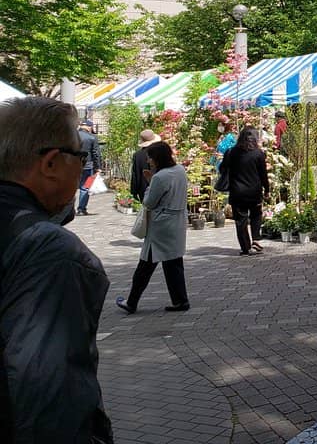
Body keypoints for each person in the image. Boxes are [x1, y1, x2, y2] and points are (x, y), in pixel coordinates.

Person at [0, 96, 114, 442]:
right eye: (80, 157)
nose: (82, 166)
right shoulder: (49, 252)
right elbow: (48, 397)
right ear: (51, 163)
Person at [116, 140, 190, 313]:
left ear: (157, 158)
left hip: (160, 225)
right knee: (173, 263)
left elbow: (149, 202)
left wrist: (150, 182)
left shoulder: (160, 177)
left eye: (150, 158)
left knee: (145, 265)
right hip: (177, 221)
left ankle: (132, 302)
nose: (148, 161)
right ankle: (180, 300)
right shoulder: (179, 170)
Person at [220, 125, 270, 255]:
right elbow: (263, 174)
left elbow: (222, 168)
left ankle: (245, 247)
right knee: (256, 215)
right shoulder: (258, 153)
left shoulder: (231, 152)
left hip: (237, 192)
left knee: (240, 220)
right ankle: (256, 241)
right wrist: (267, 189)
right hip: (254, 191)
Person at [76, 118, 102, 216]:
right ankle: (81, 209)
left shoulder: (72, 136)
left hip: (72, 166)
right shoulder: (92, 137)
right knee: (85, 187)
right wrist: (98, 167)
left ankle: (67, 210)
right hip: (88, 166)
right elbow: (96, 154)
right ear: (89, 127)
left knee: (71, 187)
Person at [130, 128, 161, 202]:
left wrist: (134, 191)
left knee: (147, 207)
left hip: (143, 189)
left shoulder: (137, 155)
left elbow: (135, 174)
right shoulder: (159, 152)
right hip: (159, 186)